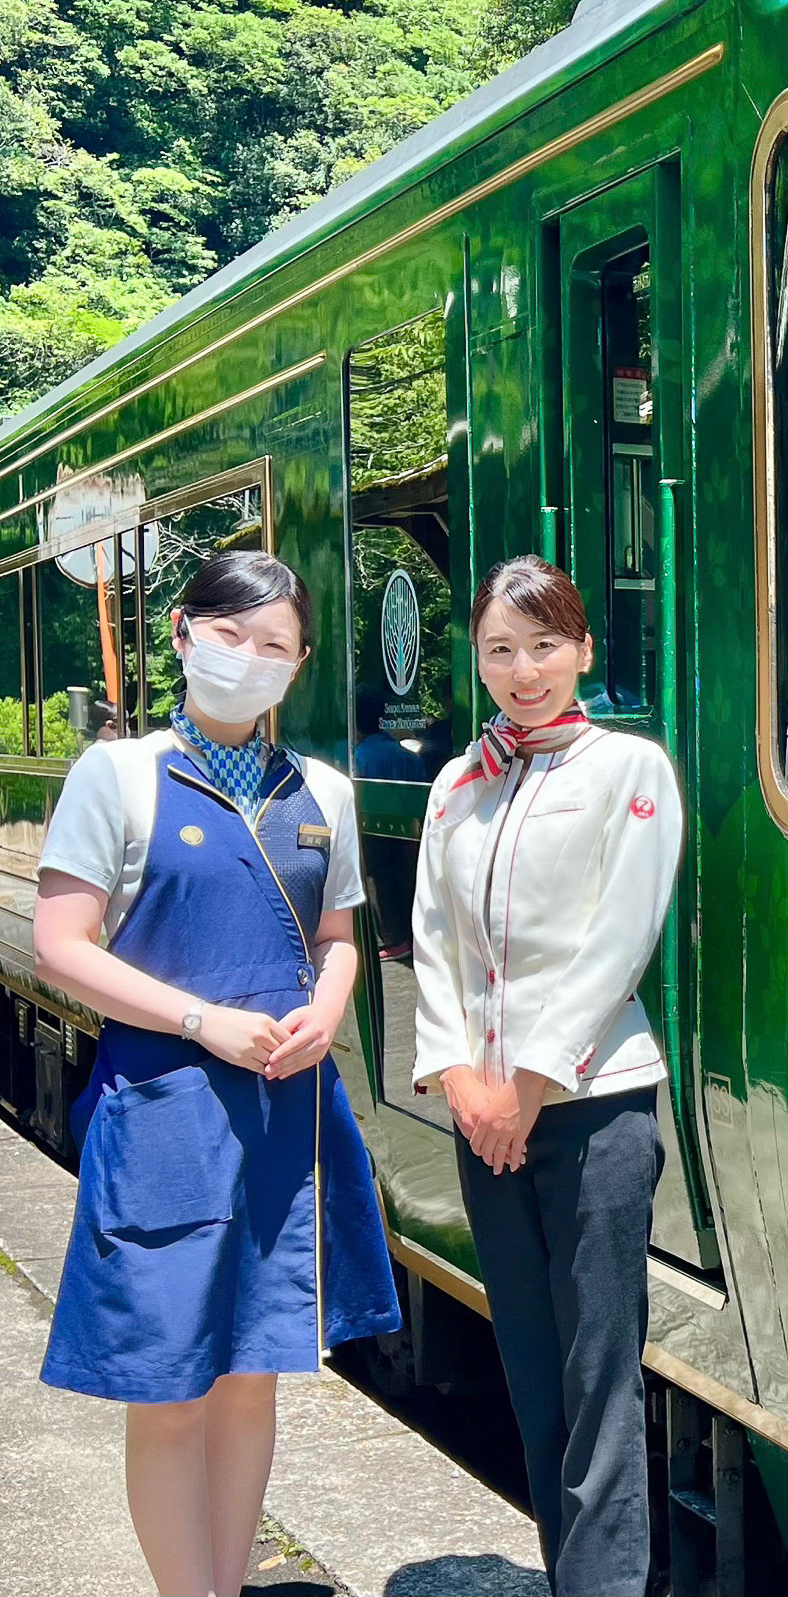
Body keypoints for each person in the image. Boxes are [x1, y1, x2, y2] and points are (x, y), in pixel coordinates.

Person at [32, 550, 400, 1597]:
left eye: (274, 644)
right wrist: (204, 1021)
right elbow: (61, 944)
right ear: (184, 633)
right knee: (170, 1389)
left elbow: (336, 937)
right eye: (230, 634)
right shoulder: (118, 774)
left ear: (300, 663)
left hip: (286, 1110)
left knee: (251, 1376)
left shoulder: (321, 790)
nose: (249, 657)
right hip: (166, 1115)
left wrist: (327, 1011)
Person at [411, 555, 682, 1597]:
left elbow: (619, 940)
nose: (523, 670)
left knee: (598, 1376)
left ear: (582, 651)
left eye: (543, 645)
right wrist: (461, 1080)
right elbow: (433, 940)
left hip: (594, 1107)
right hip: (483, 1117)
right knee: (531, 1369)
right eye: (500, 649)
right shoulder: (459, 782)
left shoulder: (628, 769)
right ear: (477, 658)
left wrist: (524, 1088)